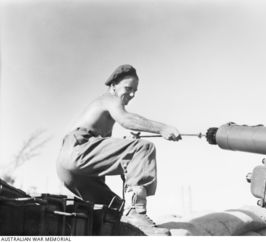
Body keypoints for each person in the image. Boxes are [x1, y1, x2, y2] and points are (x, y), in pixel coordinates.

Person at [56, 64, 181, 235]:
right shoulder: (108, 98)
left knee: (116, 208)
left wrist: (130, 159)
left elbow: (109, 160)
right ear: (114, 85)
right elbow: (126, 119)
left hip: (71, 171)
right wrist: (162, 128)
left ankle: (124, 225)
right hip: (76, 149)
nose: (132, 94)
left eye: (135, 91)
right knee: (143, 148)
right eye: (128, 88)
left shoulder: (104, 118)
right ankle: (136, 212)